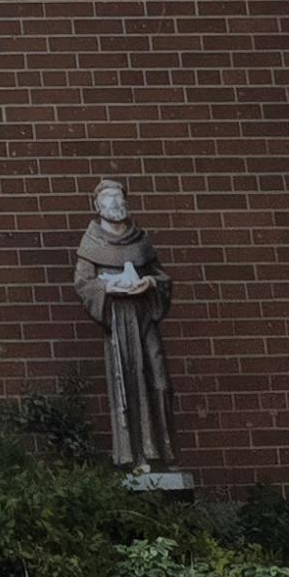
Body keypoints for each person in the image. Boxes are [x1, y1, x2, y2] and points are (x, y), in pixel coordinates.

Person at [72, 179, 181, 483]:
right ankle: (137, 456)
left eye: (120, 200)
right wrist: (108, 286)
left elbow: (161, 278)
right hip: (118, 320)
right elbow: (83, 283)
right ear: (98, 206)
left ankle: (164, 450)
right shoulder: (92, 243)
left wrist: (149, 283)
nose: (116, 205)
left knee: (159, 381)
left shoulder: (140, 240)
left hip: (144, 315)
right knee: (127, 382)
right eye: (109, 200)